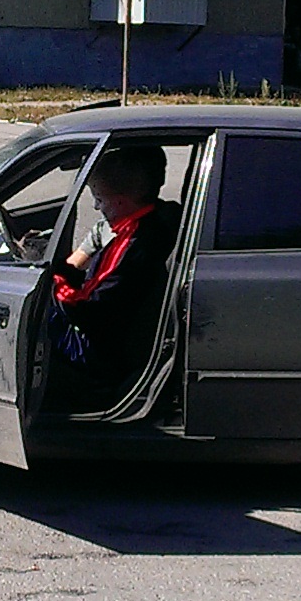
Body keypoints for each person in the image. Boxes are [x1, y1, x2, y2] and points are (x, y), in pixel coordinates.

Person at [46, 145, 179, 412]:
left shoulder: (131, 243)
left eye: (99, 198)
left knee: (24, 320)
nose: (96, 206)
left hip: (98, 351)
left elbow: (86, 308)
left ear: (119, 201)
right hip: (115, 332)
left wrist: (52, 278)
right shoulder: (156, 220)